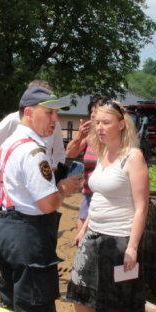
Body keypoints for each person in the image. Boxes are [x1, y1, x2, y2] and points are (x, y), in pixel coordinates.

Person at [0, 84, 84, 312]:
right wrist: (66, 188)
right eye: (50, 112)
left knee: (8, 304)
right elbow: (46, 204)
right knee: (34, 310)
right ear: (29, 113)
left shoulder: (7, 146)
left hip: (4, 229)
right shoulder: (33, 151)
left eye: (56, 112)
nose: (55, 119)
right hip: (28, 236)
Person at [59, 99, 149, 312]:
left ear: (121, 124)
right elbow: (95, 196)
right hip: (94, 234)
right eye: (97, 122)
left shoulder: (132, 157)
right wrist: (84, 228)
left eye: (106, 122)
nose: (99, 127)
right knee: (79, 290)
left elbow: (142, 206)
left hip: (119, 240)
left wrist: (132, 247)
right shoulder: (101, 153)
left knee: (114, 299)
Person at [0, 80, 66, 170]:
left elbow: (59, 152)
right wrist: (0, 173)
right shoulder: (12, 120)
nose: (54, 118)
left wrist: (55, 173)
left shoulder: (54, 123)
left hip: (44, 179)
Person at [65, 95, 109, 232]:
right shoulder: (89, 137)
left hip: (107, 197)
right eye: (91, 112)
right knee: (82, 239)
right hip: (89, 194)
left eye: (96, 111)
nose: (93, 115)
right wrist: (79, 136)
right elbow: (70, 153)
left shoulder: (114, 138)